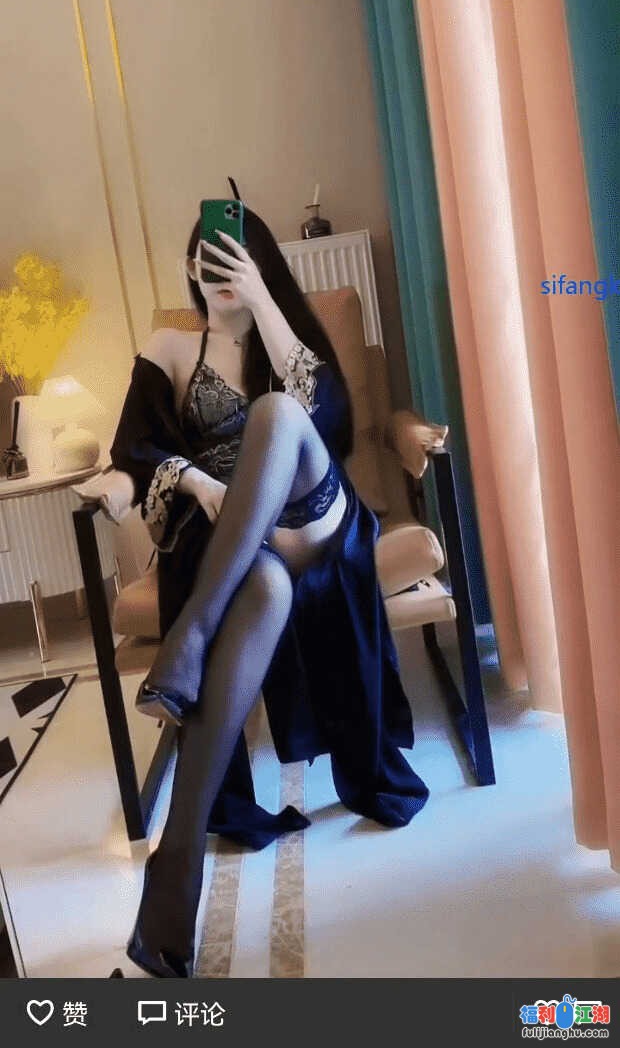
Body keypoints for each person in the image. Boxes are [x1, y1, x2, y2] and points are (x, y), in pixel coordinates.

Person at [109, 189, 430, 978]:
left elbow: (329, 422)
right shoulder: (168, 346)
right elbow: (135, 449)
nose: (220, 272)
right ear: (190, 268)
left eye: (237, 260)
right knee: (268, 593)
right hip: (243, 549)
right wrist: (193, 479)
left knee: (278, 417)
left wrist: (261, 303)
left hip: (318, 520)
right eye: (209, 260)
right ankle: (174, 875)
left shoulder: (288, 332)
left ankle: (187, 641)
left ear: (260, 266)